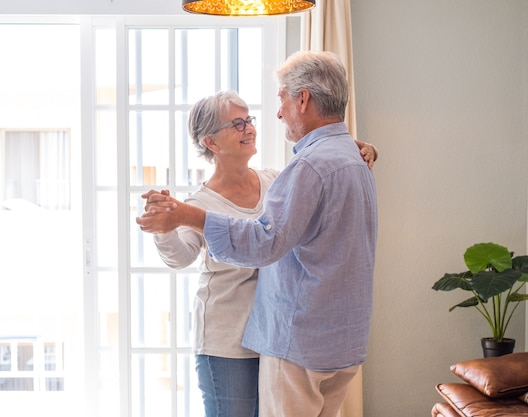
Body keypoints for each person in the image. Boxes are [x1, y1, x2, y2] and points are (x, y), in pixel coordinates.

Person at [137, 51, 378, 417]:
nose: (251, 126)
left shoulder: (277, 178)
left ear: (303, 99)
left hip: (279, 336)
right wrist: (168, 223)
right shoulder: (201, 200)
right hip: (230, 340)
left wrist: (354, 145)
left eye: (248, 119)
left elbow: (304, 196)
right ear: (211, 143)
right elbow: (181, 256)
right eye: (237, 123)